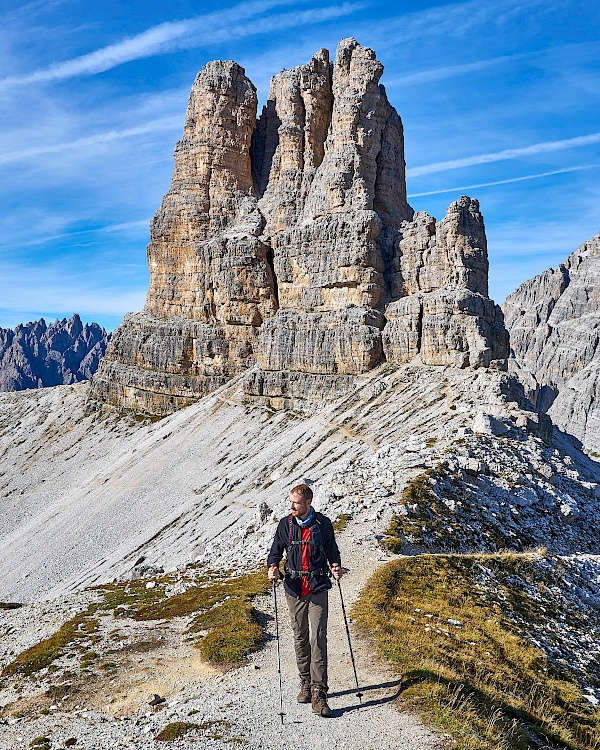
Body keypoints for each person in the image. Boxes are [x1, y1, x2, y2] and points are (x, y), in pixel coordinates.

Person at [267, 483, 344, 718]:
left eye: (296, 503)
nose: (291, 506)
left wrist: (336, 566)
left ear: (308, 503)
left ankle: (320, 693)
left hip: (318, 586)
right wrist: (272, 568)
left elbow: (332, 550)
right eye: (290, 502)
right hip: (293, 588)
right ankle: (306, 682)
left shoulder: (323, 524)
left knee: (318, 636)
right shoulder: (285, 524)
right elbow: (275, 552)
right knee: (300, 636)